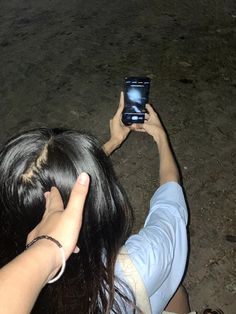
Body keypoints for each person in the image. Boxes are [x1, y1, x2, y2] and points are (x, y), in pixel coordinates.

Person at [0, 92, 193, 313]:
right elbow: (169, 201)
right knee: (177, 291)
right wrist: (160, 137)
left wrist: (113, 142)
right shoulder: (142, 261)